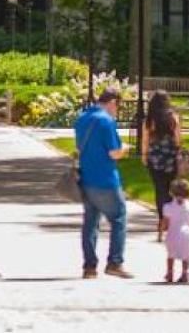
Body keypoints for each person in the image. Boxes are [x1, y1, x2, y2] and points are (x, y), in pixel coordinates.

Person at [74, 88, 133, 279]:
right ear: (113, 102)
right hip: (106, 178)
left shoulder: (82, 119)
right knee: (119, 217)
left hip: (86, 178)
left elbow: (78, 147)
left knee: (90, 222)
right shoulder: (106, 121)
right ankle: (115, 262)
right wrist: (125, 149)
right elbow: (114, 152)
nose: (117, 111)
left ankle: (89, 267)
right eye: (118, 106)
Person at [142, 90, 181, 242]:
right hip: (170, 156)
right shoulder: (173, 117)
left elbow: (145, 140)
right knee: (171, 188)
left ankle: (161, 219)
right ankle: (171, 219)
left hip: (155, 157)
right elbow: (178, 139)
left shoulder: (150, 120)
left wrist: (145, 156)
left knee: (159, 190)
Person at [163, 179, 189, 284]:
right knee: (185, 254)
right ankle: (185, 272)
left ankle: (170, 272)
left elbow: (166, 222)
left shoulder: (168, 207)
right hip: (187, 232)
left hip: (173, 232)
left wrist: (163, 229)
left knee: (171, 254)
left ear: (171, 192)